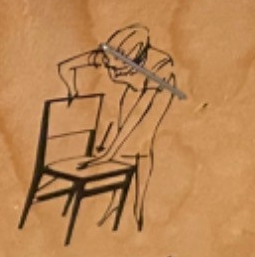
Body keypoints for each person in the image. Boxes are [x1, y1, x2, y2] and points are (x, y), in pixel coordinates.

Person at [57, 24, 177, 229]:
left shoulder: (161, 66)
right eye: (108, 62)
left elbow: (138, 113)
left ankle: (138, 205)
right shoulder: (108, 56)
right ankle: (115, 202)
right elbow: (65, 67)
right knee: (124, 148)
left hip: (159, 93)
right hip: (133, 90)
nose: (110, 68)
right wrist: (72, 92)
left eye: (117, 66)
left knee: (142, 144)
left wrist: (108, 154)